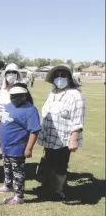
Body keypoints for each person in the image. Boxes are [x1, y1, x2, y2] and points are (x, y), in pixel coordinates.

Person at [38, 64, 85, 201]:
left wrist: (74, 138)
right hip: (49, 137)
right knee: (50, 162)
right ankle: (50, 185)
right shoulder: (53, 92)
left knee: (60, 165)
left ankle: (59, 190)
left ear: (69, 78)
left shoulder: (76, 95)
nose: (60, 78)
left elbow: (78, 119)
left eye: (63, 75)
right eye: (57, 75)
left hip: (64, 138)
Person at [0, 83, 41, 204]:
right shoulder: (9, 106)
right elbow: (3, 122)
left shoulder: (30, 110)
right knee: (7, 168)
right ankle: (8, 185)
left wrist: (29, 148)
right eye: (12, 96)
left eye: (16, 96)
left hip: (17, 147)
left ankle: (19, 196)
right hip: (6, 146)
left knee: (18, 172)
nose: (13, 98)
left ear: (24, 96)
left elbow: (34, 131)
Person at [0, 63, 24, 177]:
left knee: (9, 146)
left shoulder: (21, 88)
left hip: (11, 121)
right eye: (9, 72)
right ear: (5, 74)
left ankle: (10, 172)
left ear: (17, 74)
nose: (11, 75)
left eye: (14, 72)